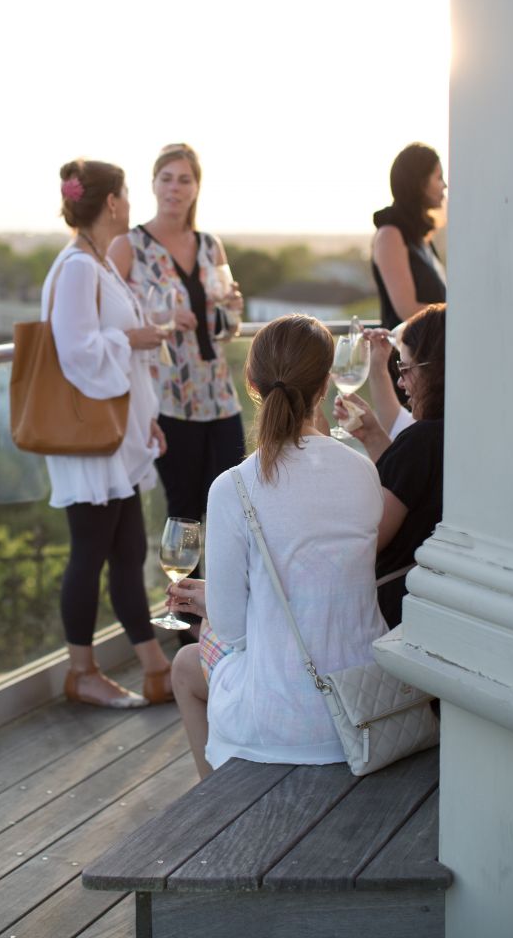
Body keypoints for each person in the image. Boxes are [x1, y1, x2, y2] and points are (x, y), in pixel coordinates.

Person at [164, 314, 387, 778]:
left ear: (251, 382)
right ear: (325, 385)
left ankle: (215, 801)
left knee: (189, 661)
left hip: (278, 721)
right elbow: (327, 578)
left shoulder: (233, 487)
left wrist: (214, 602)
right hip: (363, 705)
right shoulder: (362, 470)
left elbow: (232, 632)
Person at [41, 158, 174, 708]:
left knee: (126, 551)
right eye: (126, 192)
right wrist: (135, 340)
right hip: (91, 440)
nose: (131, 201)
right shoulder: (78, 267)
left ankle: (155, 668)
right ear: (113, 203)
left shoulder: (97, 263)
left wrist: (147, 419)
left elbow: (103, 344)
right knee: (90, 552)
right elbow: (76, 352)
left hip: (118, 435)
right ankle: (82, 671)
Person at [109, 142, 245, 546]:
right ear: (152, 184)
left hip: (219, 394)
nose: (175, 188)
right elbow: (109, 319)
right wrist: (161, 320)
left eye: (184, 179)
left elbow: (227, 327)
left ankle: (222, 603)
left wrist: (233, 309)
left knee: (232, 504)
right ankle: (185, 607)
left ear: (196, 187)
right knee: (184, 508)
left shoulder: (210, 246)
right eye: (166, 178)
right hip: (166, 397)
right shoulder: (128, 246)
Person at [334, 304, 446, 627]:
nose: (401, 382)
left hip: (391, 615)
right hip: (431, 603)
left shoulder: (421, 441)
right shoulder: (460, 435)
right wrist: (372, 437)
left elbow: (367, 540)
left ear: (434, 370)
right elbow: (413, 488)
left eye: (406, 369)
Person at [372, 143, 447, 332]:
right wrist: (462, 313)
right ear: (419, 183)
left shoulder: (420, 237)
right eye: (438, 178)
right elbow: (407, 310)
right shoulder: (390, 234)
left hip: (428, 354)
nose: (444, 185)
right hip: (405, 359)